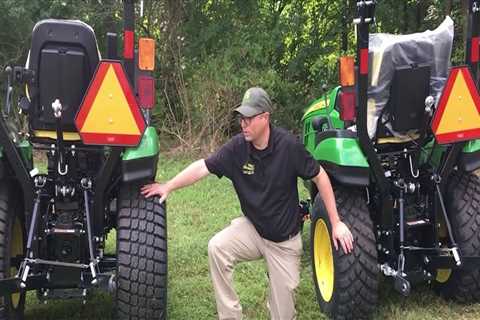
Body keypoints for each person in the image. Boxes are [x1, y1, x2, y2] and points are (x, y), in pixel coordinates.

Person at [141, 87, 354, 320]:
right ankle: (230, 316)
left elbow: (320, 176)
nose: (243, 124)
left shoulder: (288, 146)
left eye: (249, 118)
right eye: (242, 118)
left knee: (283, 315)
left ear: (265, 117)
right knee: (217, 247)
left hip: (284, 242)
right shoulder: (237, 148)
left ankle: (277, 294)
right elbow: (203, 167)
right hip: (253, 229)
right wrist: (168, 185)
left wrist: (336, 222)